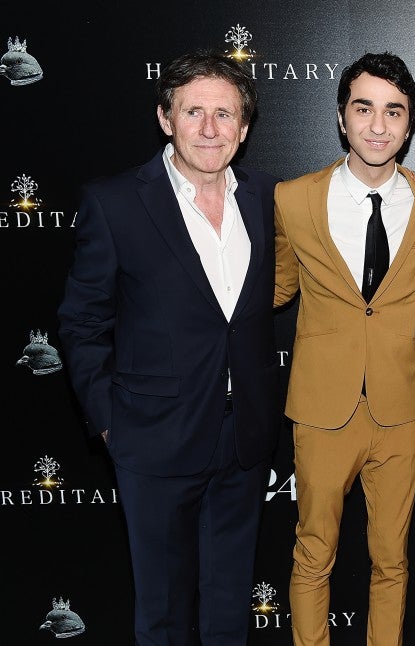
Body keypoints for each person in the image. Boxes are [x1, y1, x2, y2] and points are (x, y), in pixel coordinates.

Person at [57, 50, 280, 644]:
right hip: (152, 438)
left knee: (229, 611)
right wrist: (111, 423)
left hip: (244, 438)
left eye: (224, 114)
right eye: (192, 112)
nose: (209, 128)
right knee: (162, 615)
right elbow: (82, 323)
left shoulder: (266, 196)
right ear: (165, 118)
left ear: (244, 127)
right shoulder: (115, 202)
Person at [273, 51, 415, 646]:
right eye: (364, 108)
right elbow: (274, 288)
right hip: (321, 409)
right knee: (313, 555)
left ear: (409, 124)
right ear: (341, 117)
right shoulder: (293, 199)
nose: (378, 126)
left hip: (399, 411)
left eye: (394, 112)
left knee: (392, 560)